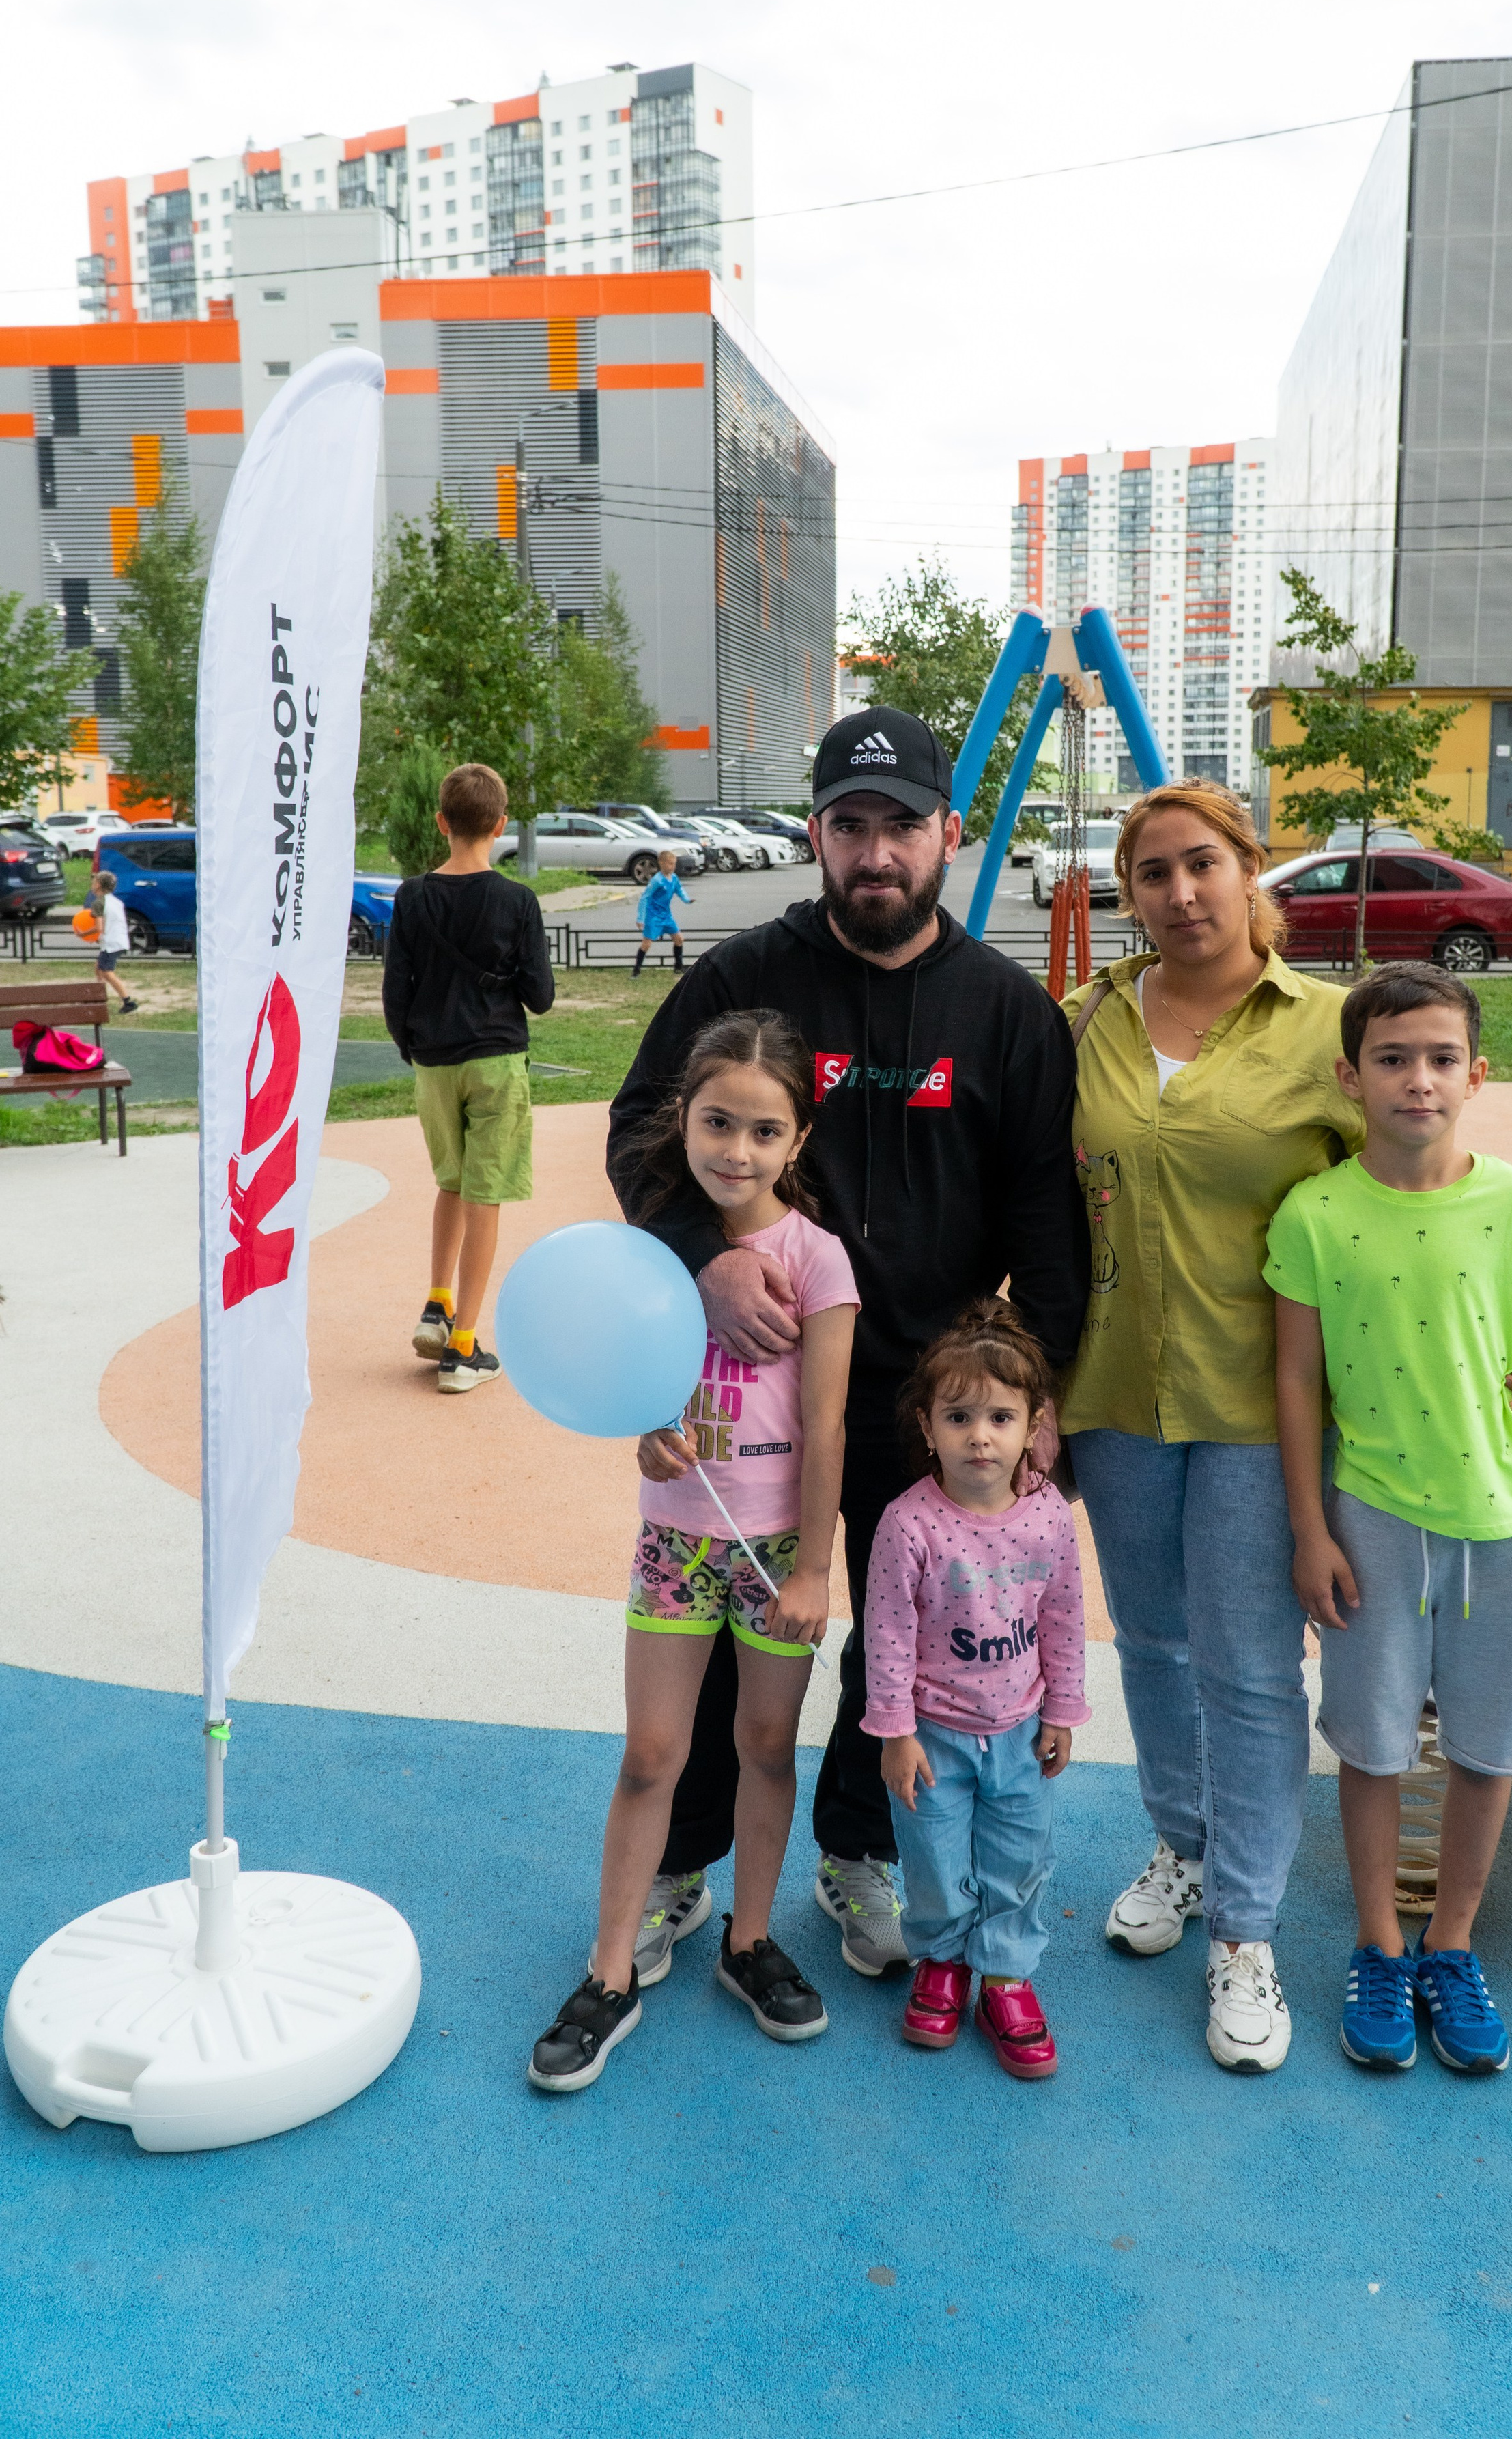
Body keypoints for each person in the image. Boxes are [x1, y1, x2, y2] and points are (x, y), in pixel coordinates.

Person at [1058, 781, 1512, 2075]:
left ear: (1251, 874)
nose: (1180, 894)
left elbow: (1432, 1191)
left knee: (1246, 1663)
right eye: (1153, 873)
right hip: (1114, 1389)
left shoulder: (1329, 1031)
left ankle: (1246, 1931)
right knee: (1155, 1647)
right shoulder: (1089, 1022)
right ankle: (1182, 1847)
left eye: (1204, 866)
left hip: (1255, 1405)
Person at [609, 705, 1088, 1986]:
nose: (877, 854)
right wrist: (699, 1255)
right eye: (851, 826)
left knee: (906, 1642)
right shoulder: (739, 981)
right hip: (757, 1388)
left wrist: (1041, 1409)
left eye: (903, 828)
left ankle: (858, 1846)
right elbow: (637, 1136)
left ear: (949, 835)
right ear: (817, 834)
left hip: (936, 1401)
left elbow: (1047, 1228)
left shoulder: (1007, 1015)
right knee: (721, 1643)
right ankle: (681, 1870)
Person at [527, 1011, 858, 2092]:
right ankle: (610, 1969)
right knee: (651, 1756)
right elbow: (636, 1373)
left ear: (798, 1141)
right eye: (718, 1123)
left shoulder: (817, 1260)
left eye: (765, 1132)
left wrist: (813, 1568)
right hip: (676, 1543)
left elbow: (828, 1423)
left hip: (774, 1554)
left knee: (767, 1748)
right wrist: (649, 1429)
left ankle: (750, 1942)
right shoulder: (660, 1254)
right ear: (684, 1120)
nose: (737, 1151)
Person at [1268, 962, 1512, 2076]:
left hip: (1502, 1521)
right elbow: (1297, 1385)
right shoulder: (1314, 1214)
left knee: (1487, 1746)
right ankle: (1379, 1944)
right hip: (1374, 1523)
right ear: (1351, 1077)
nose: (1419, 1079)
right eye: (1393, 1059)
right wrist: (1310, 1528)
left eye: (1442, 1058)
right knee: (1370, 1740)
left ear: (1477, 1074)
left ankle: (1451, 1945)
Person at [864, 1302, 1087, 2080]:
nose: (980, 1436)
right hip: (932, 1736)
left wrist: (1063, 1708)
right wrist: (895, 1732)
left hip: (1022, 1731)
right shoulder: (907, 1524)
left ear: (1034, 1426)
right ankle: (942, 1961)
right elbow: (887, 1635)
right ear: (927, 1427)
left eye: (1000, 1417)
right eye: (959, 1417)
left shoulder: (1048, 1516)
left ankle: (1004, 1974)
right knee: (929, 1857)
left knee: (1019, 1857)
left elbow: (1063, 1614)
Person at [382, 761, 554, 1394]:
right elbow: (541, 997)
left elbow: (394, 991)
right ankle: (462, 1347)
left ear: (441, 821)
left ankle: (436, 1302)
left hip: (433, 1065)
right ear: (501, 825)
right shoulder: (516, 901)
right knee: (486, 1196)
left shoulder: (411, 896)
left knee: (450, 1185)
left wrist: (416, 1049)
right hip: (496, 1061)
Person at [633, 851, 692, 976]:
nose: (673, 867)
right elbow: (645, 898)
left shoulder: (674, 878)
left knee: (679, 939)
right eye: (670, 864)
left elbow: (679, 890)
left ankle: (678, 966)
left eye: (674, 864)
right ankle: (636, 970)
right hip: (654, 916)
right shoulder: (657, 880)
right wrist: (640, 918)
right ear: (662, 864)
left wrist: (687, 900)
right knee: (647, 944)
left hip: (666, 915)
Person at [92, 871, 138, 1015]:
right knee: (99, 967)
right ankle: (98, 997)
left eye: (94, 882)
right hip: (119, 940)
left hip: (111, 943)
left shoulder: (99, 903)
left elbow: (98, 927)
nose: (92, 885)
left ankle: (128, 1001)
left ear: (98, 885)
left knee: (107, 973)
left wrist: (82, 934)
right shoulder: (116, 902)